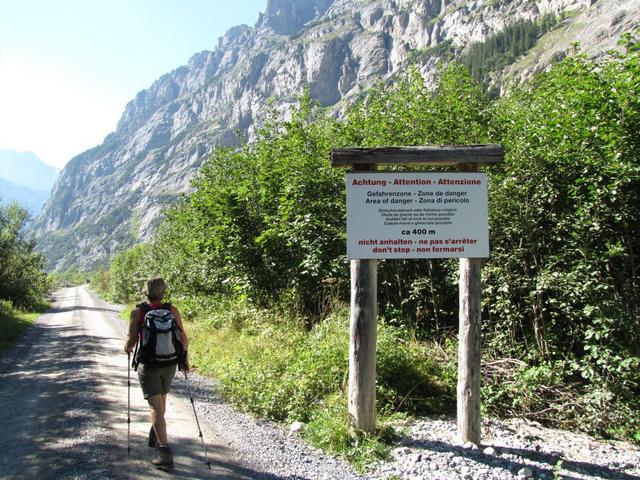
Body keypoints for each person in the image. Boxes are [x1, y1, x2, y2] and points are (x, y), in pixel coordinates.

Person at [124, 277, 189, 471]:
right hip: (170, 362)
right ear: (163, 291)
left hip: (149, 364)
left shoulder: (138, 312)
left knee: (155, 407)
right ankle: (156, 432)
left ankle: (164, 452)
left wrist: (126, 348)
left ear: (146, 291)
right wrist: (185, 360)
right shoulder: (172, 310)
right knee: (162, 400)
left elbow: (131, 341)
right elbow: (183, 338)